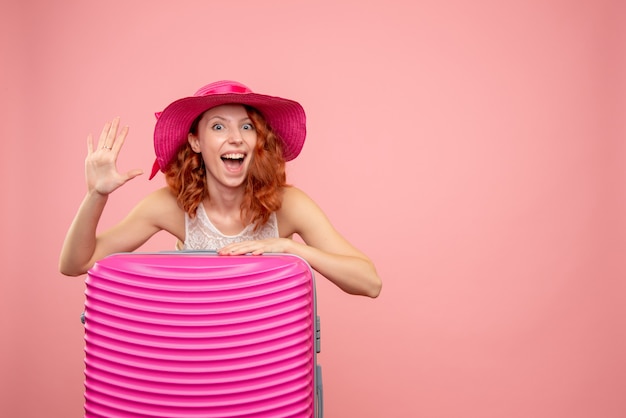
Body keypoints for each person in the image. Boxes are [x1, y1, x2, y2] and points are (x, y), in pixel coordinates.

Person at [59, 80, 382, 298]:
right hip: (197, 359)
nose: (236, 138)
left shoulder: (289, 204)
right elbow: (76, 265)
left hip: (266, 363)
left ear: (258, 141)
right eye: (218, 126)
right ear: (196, 142)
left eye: (246, 127)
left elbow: (369, 282)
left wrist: (295, 251)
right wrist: (96, 195)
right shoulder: (169, 206)